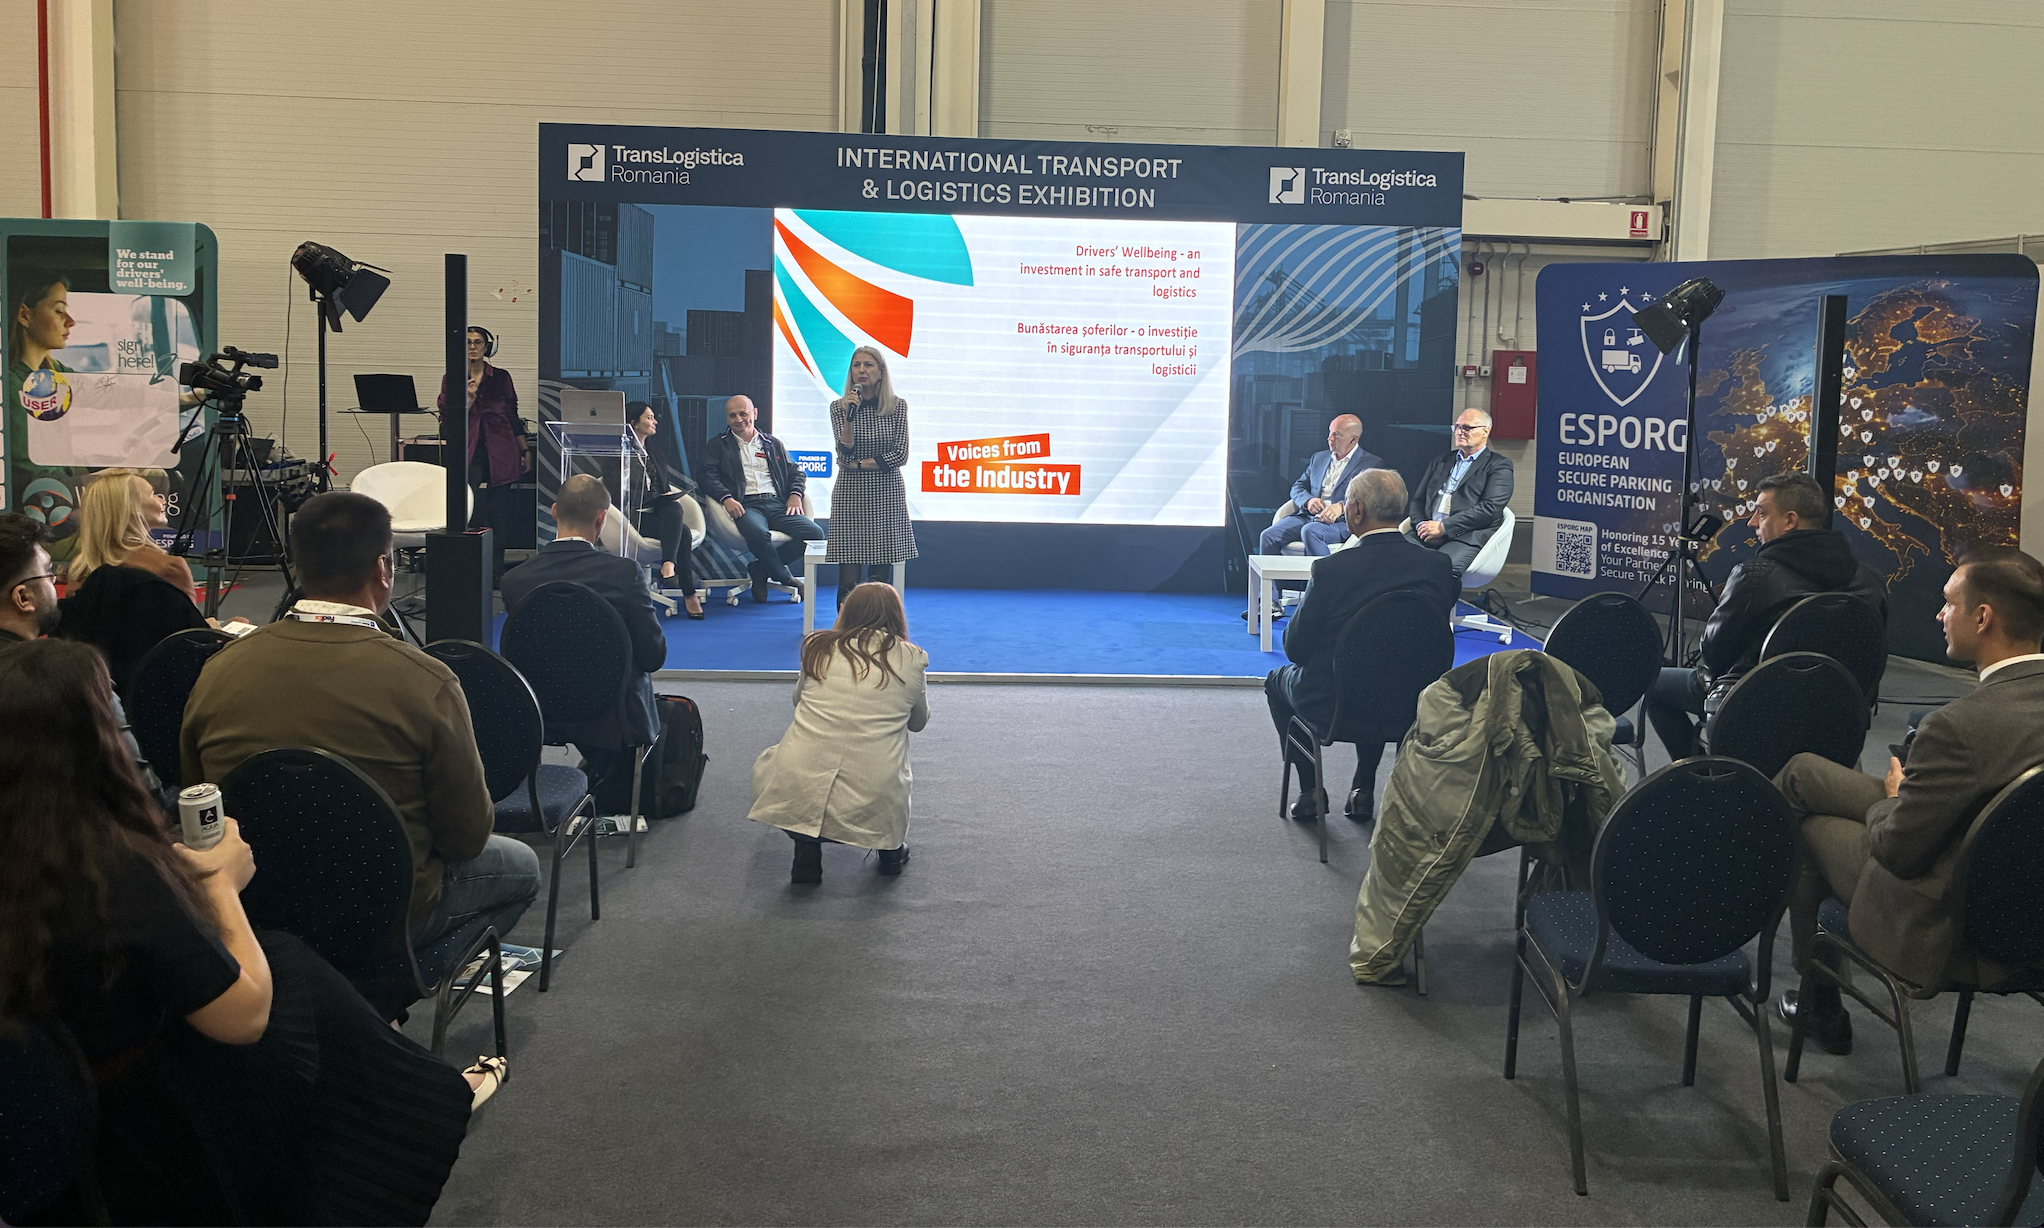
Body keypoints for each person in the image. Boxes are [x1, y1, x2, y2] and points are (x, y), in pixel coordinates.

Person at [0, 639, 483, 1226]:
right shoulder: (117, 873)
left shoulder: (33, 857)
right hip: (153, 1130)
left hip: (50, 1114)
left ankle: (415, 1089)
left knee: (295, 971)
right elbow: (243, 1018)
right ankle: (410, 1119)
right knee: (297, 981)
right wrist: (220, 884)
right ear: (96, 742)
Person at [181, 491, 539, 962]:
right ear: (383, 568)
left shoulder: (219, 670)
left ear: (299, 564)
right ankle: (399, 979)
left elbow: (198, 801)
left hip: (257, 904)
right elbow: (467, 837)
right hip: (389, 912)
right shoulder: (426, 681)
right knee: (524, 868)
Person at [1774, 546, 2044, 1056]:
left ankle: (1820, 1008)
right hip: (2024, 897)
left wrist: (1898, 796)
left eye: (1949, 603)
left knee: (1808, 830)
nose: (1940, 615)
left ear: (1983, 618)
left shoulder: (1957, 728)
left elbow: (1897, 851)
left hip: (1948, 918)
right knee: (1802, 773)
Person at [1645, 472, 1887, 759]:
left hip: (1756, 706)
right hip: (1838, 711)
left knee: (1653, 684)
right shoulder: (1871, 580)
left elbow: (1714, 653)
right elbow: (1872, 656)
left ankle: (1698, 773)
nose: (1751, 522)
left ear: (1789, 520)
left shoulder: (1754, 577)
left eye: (1761, 512)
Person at [1266, 470, 1458, 823]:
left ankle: (1310, 792)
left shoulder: (1331, 570)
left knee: (1276, 681)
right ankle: (1363, 791)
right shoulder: (1438, 566)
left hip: (1337, 706)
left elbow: (1295, 649)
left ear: (1355, 510)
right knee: (1384, 668)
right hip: (1413, 704)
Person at [501, 473, 666, 817]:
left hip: (540, 709)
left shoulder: (515, 580)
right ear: (602, 518)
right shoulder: (624, 573)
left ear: (554, 511)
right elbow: (653, 656)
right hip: (614, 713)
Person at [750, 581, 929, 882]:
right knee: (890, 767)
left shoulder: (817, 647)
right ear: (896, 616)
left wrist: (835, 631)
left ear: (845, 612)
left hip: (794, 780)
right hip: (874, 791)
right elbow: (917, 723)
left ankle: (806, 851)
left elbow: (798, 701)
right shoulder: (912, 659)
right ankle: (890, 851)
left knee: (794, 762)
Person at [56, 468, 213, 693]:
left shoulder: (79, 569)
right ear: (130, 509)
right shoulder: (170, 568)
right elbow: (192, 639)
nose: (162, 499)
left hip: (90, 689)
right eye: (153, 494)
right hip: (158, 691)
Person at [701, 393, 821, 603]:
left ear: (754, 414)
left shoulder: (772, 443)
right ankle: (786, 578)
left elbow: (796, 473)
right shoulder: (718, 445)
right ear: (727, 418)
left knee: (815, 534)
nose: (739, 419)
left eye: (743, 414)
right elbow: (705, 476)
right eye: (732, 415)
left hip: (777, 504)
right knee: (757, 533)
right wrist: (726, 498)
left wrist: (795, 495)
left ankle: (760, 569)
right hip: (746, 505)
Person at [826, 346, 918, 609]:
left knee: (879, 578)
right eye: (857, 365)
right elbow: (844, 453)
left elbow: (899, 454)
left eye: (868, 365)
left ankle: (877, 627)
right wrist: (849, 417)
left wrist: (858, 465)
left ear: (880, 372)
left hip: (886, 495)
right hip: (850, 495)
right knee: (848, 579)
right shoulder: (839, 408)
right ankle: (846, 628)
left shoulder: (897, 407)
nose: (862, 370)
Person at [436, 325, 528, 583]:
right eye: (467, 342)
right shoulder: (452, 378)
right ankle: (467, 571)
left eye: (478, 342)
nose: (473, 347)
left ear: (487, 348)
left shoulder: (501, 377)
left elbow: (512, 415)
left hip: (502, 449)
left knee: (498, 514)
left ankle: (495, 573)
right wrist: (467, 402)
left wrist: (524, 449)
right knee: (467, 511)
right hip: (469, 451)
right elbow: (446, 422)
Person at [6, 272, 77, 557]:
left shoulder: (55, 374)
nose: (70, 321)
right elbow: (29, 469)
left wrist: (185, 397)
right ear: (24, 315)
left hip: (60, 498)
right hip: (38, 516)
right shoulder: (9, 385)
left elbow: (113, 396)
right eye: (59, 311)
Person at [1403, 407, 1514, 579]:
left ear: (1485, 431)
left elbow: (1490, 509)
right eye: (1457, 427)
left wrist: (1444, 528)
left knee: (1441, 570)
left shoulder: (1498, 465)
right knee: (1393, 558)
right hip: (1426, 532)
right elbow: (1418, 500)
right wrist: (1422, 527)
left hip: (1465, 536)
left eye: (1467, 428)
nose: (1460, 432)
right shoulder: (1441, 460)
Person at [1260, 414, 1385, 559]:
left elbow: (1370, 500)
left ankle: (1322, 574)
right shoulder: (1319, 458)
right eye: (1330, 432)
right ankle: (1278, 576)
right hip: (1308, 517)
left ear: (1353, 439)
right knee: (1268, 536)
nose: (1330, 438)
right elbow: (1298, 486)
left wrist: (1341, 506)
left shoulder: (1371, 464)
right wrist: (1308, 501)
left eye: (1336, 434)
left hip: (1342, 522)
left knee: (1310, 531)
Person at [627, 400, 705, 618]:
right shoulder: (619, 454)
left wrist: (665, 497)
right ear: (634, 423)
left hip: (658, 516)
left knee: (676, 515)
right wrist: (657, 498)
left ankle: (669, 566)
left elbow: (662, 486)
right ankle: (687, 592)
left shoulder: (654, 452)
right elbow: (619, 491)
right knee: (682, 529)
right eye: (649, 417)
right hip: (632, 519)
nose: (655, 422)